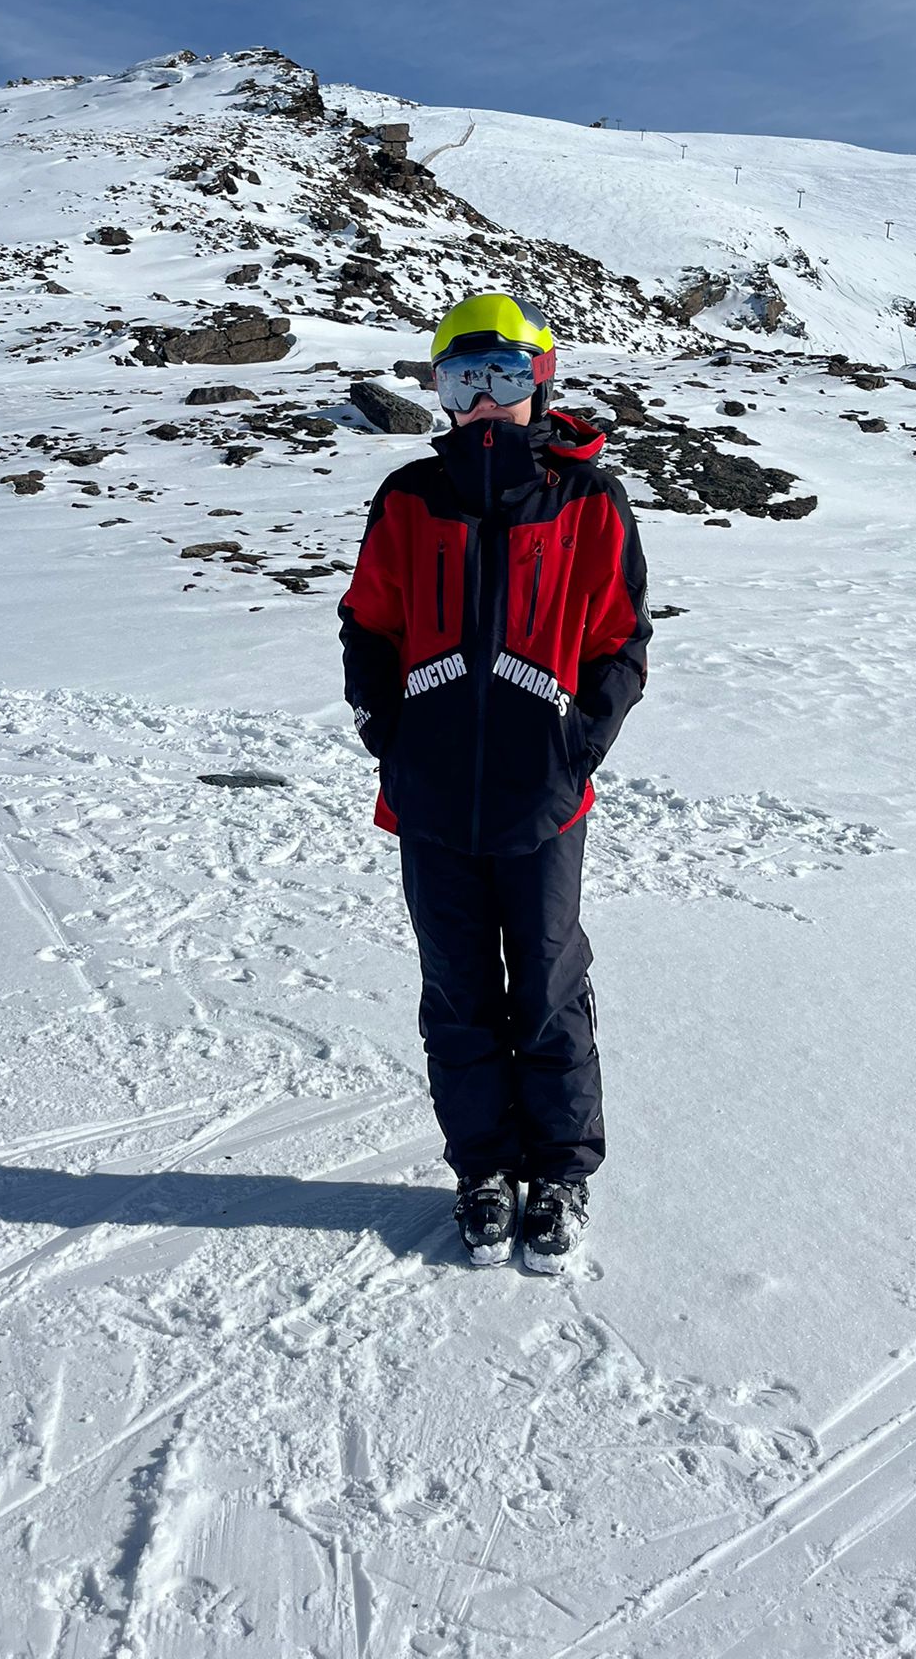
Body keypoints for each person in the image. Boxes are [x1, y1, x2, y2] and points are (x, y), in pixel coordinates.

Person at [338, 294, 651, 1270]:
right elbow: (368, 626)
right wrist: (390, 734)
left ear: (540, 381)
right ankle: (484, 1169)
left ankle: (559, 1172)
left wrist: (573, 752)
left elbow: (619, 645)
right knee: (459, 991)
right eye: (461, 377)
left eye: (504, 376)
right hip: (432, 801)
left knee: (550, 987)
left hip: (543, 802)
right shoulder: (410, 500)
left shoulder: (585, 502)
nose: (483, 398)